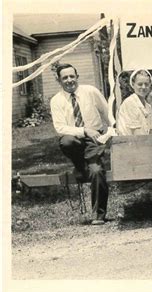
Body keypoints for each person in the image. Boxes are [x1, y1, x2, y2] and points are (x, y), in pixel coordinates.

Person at [50, 63, 109, 225]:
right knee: (66, 141)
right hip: (74, 140)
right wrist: (84, 130)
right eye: (65, 78)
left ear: (77, 77)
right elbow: (60, 127)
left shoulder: (91, 91)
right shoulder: (56, 100)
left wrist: (112, 132)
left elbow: (107, 112)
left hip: (94, 139)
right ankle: (81, 164)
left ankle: (98, 215)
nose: (69, 80)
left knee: (96, 170)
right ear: (59, 80)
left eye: (71, 76)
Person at [116, 69, 152, 135]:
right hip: (131, 142)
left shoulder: (148, 107)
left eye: (146, 84)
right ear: (133, 84)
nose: (143, 87)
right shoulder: (129, 103)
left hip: (145, 143)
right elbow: (134, 133)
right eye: (140, 84)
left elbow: (151, 131)